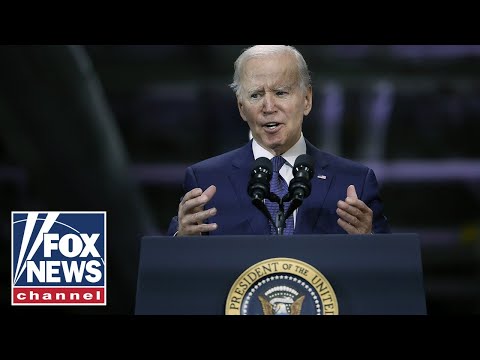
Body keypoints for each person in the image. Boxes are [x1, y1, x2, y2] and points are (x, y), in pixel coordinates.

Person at [167, 45, 390, 236]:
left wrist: (368, 240)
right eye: (256, 95)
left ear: (307, 100)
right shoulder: (205, 181)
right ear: (241, 108)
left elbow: (390, 273)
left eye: (281, 93)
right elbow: (168, 272)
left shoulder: (354, 182)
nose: (269, 107)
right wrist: (183, 241)